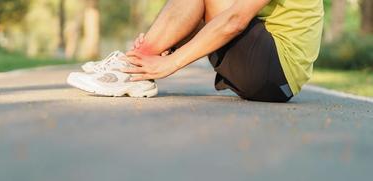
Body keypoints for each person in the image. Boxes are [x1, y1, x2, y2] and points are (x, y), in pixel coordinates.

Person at [67, 0, 324, 102]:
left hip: (274, 69)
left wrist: (171, 63)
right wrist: (164, 41)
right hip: (275, 77)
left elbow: (234, 21)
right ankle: (137, 67)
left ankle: (132, 67)